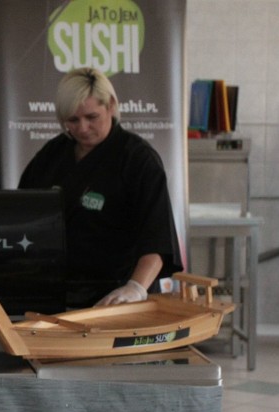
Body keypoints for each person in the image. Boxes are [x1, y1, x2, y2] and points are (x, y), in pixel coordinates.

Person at [18, 67, 183, 308]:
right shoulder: (51, 155)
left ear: (111, 106)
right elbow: (23, 211)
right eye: (73, 120)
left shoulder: (138, 159)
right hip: (59, 294)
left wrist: (135, 288)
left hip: (116, 298)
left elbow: (157, 239)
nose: (82, 128)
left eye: (91, 117)